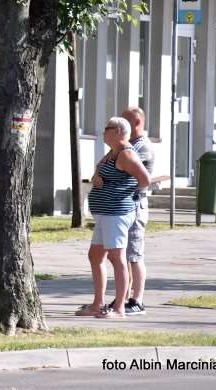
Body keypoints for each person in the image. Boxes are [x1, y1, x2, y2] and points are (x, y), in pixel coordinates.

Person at [77, 117, 150, 319]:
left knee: (117, 258)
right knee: (95, 256)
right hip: (105, 214)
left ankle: (119, 308)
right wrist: (96, 179)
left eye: (106, 129)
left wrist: (123, 192)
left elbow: (145, 180)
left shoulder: (127, 154)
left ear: (118, 131)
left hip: (116, 212)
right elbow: (99, 172)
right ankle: (98, 303)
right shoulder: (113, 152)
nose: (102, 133)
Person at [113, 107, 154, 315]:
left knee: (135, 254)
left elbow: (120, 161)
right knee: (124, 252)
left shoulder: (141, 146)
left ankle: (137, 300)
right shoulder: (129, 145)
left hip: (137, 204)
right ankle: (123, 296)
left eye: (125, 122)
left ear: (136, 123)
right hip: (125, 204)